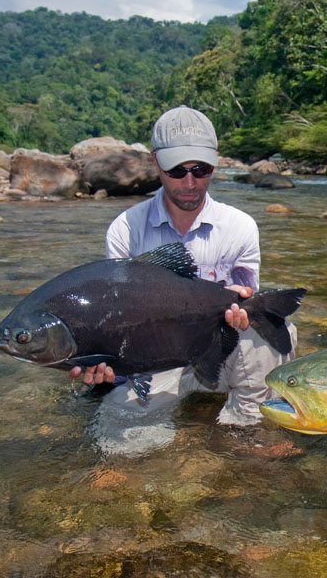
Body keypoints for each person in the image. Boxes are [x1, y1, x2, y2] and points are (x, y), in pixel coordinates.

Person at [69, 105, 297, 436]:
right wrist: (103, 364)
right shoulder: (124, 231)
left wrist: (245, 308)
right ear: (155, 162)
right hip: (154, 363)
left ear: (216, 161)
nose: (189, 182)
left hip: (215, 352)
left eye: (200, 169)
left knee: (275, 327)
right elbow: (115, 323)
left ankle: (246, 429)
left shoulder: (240, 227)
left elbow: (245, 310)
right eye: (177, 170)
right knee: (121, 445)